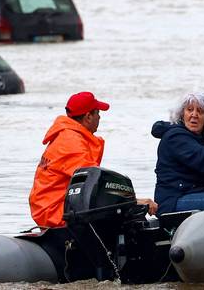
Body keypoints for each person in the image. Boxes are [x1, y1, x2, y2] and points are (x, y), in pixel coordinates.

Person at [28, 91, 156, 228]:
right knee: (125, 217)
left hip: (49, 209)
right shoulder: (72, 143)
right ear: (88, 116)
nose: (100, 117)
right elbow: (94, 185)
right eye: (98, 113)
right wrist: (136, 202)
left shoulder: (65, 136)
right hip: (55, 213)